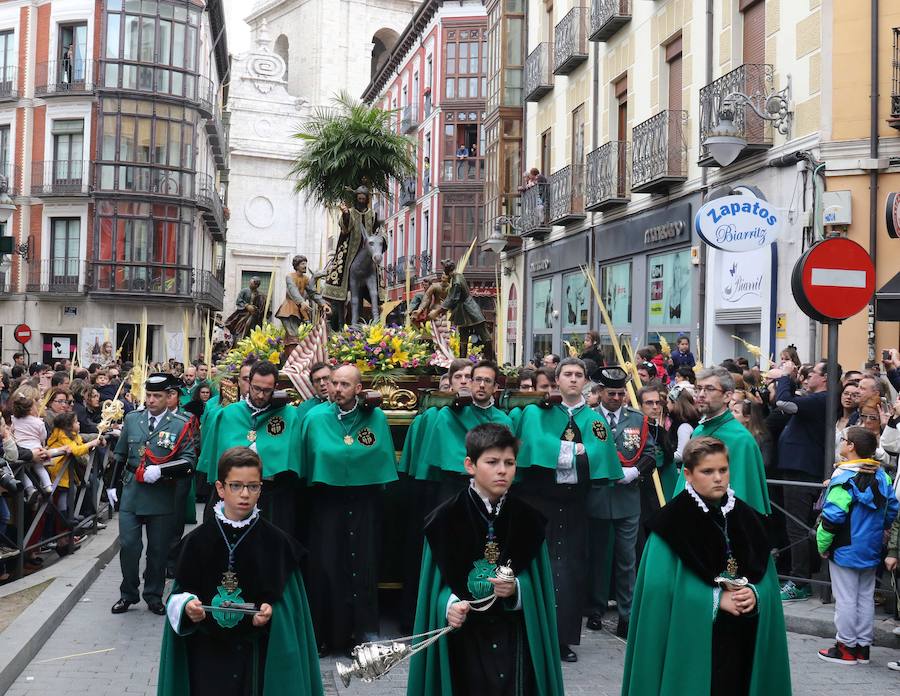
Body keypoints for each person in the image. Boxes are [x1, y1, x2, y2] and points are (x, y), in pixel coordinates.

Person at [623, 437, 791, 696]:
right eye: (708, 471)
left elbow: (767, 580)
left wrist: (755, 594)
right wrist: (714, 599)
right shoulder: (669, 524)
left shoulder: (748, 518)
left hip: (742, 643)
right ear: (688, 475)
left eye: (723, 470)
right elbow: (658, 594)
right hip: (692, 647)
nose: (718, 478)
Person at [406, 423, 565, 696]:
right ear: (470, 465)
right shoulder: (443, 520)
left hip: (514, 637)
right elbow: (434, 589)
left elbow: (538, 586)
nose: (502, 470)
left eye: (509, 463)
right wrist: (448, 605)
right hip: (463, 640)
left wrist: (517, 589)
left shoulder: (529, 520)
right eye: (492, 462)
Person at [157, 447, 323, 696]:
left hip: (254, 660)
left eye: (253, 486)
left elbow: (291, 613)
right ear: (220, 488)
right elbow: (177, 597)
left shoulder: (279, 546)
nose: (245, 494)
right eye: (236, 486)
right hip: (205, 658)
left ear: (260, 489)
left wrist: (271, 613)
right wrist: (187, 606)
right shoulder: (195, 542)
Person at [515, 357, 621, 662]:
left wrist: (561, 452)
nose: (573, 379)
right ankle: (529, 633)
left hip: (575, 504)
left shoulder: (594, 420)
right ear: (557, 380)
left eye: (578, 375)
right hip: (539, 502)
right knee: (535, 566)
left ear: (585, 381)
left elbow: (600, 454)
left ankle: (563, 639)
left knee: (571, 572)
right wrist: (577, 451)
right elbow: (534, 445)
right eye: (567, 374)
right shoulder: (537, 412)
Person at [300, 365, 397, 656]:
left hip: (364, 502)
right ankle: (324, 635)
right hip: (327, 502)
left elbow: (380, 456)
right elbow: (306, 459)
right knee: (326, 566)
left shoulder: (375, 417)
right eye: (334, 383)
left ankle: (361, 635)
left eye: (344, 384)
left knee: (362, 566)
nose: (337, 389)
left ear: (358, 389)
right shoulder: (315, 417)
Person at [112, 373, 196, 615]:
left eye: (157, 396)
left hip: (161, 493)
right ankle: (128, 593)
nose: (150, 400)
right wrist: (112, 485)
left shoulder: (180, 423)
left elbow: (189, 461)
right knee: (129, 545)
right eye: (148, 395)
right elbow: (120, 454)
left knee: (158, 550)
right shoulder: (132, 419)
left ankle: (153, 595)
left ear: (169, 397)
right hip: (132, 492)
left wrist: (162, 470)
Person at [586, 366, 659, 638]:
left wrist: (635, 471)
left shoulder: (637, 419)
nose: (617, 398)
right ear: (600, 392)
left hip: (627, 499)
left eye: (620, 393)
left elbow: (651, 453)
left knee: (627, 559)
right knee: (598, 557)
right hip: (597, 496)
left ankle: (626, 614)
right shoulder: (589, 418)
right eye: (611, 393)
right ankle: (595, 609)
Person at [816, 426, 898, 665]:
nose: (841, 443)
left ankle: (845, 648)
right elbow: (891, 509)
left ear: (851, 446)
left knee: (845, 599)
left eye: (843, 439)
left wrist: (822, 544)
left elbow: (832, 517)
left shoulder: (844, 478)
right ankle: (862, 648)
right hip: (871, 546)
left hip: (844, 546)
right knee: (864, 597)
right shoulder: (882, 476)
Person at [198, 361, 304, 536]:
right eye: (256, 388)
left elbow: (294, 462)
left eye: (267, 390)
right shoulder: (228, 413)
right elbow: (215, 459)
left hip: (272, 495)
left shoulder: (289, 415)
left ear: (275, 387)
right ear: (249, 382)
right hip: (232, 494)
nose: (260, 395)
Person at [768, 359, 832, 602]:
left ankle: (799, 581)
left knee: (797, 528)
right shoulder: (815, 398)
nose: (808, 377)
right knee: (794, 526)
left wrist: (785, 376)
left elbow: (784, 402)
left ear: (825, 378)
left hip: (802, 470)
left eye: (813, 373)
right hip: (795, 468)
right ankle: (796, 576)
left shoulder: (822, 399)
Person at [676, 367, 770, 515]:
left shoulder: (741, 439)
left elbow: (743, 496)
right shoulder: (699, 431)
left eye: (709, 389)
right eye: (698, 388)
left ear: (727, 396)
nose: (701, 394)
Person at [417, 361, 513, 499]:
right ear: (471, 382)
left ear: (495, 388)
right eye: (478, 379)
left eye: (487, 381)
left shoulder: (504, 421)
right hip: (455, 487)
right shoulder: (449, 414)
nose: (482, 385)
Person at [428, 259, 494, 360]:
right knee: (463, 336)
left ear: (446, 271)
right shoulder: (457, 276)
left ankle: (491, 360)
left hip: (469, 309)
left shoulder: (456, 281)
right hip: (463, 310)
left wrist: (437, 312)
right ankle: (462, 361)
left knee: (483, 334)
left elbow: (452, 298)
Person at [275, 255, 330, 355]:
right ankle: (292, 357)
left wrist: (323, 304)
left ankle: (287, 357)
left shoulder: (306, 279)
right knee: (293, 335)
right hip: (289, 310)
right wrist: (301, 302)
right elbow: (293, 290)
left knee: (296, 336)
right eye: (302, 264)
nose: (305, 266)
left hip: (300, 311)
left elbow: (312, 293)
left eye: (306, 263)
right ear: (296, 265)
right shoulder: (290, 277)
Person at [225, 276, 266, 341]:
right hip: (242, 313)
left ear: (256, 285)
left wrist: (255, 309)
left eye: (252, 283)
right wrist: (246, 305)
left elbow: (261, 307)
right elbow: (238, 300)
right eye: (250, 283)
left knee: (252, 327)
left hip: (253, 316)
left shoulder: (260, 295)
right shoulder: (244, 291)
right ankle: (239, 338)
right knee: (240, 327)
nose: (250, 284)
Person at [667, 383, 699, 465]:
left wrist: (664, 457)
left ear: (674, 403)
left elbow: (681, 455)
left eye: (668, 402)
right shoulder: (679, 422)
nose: (666, 405)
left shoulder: (683, 426)